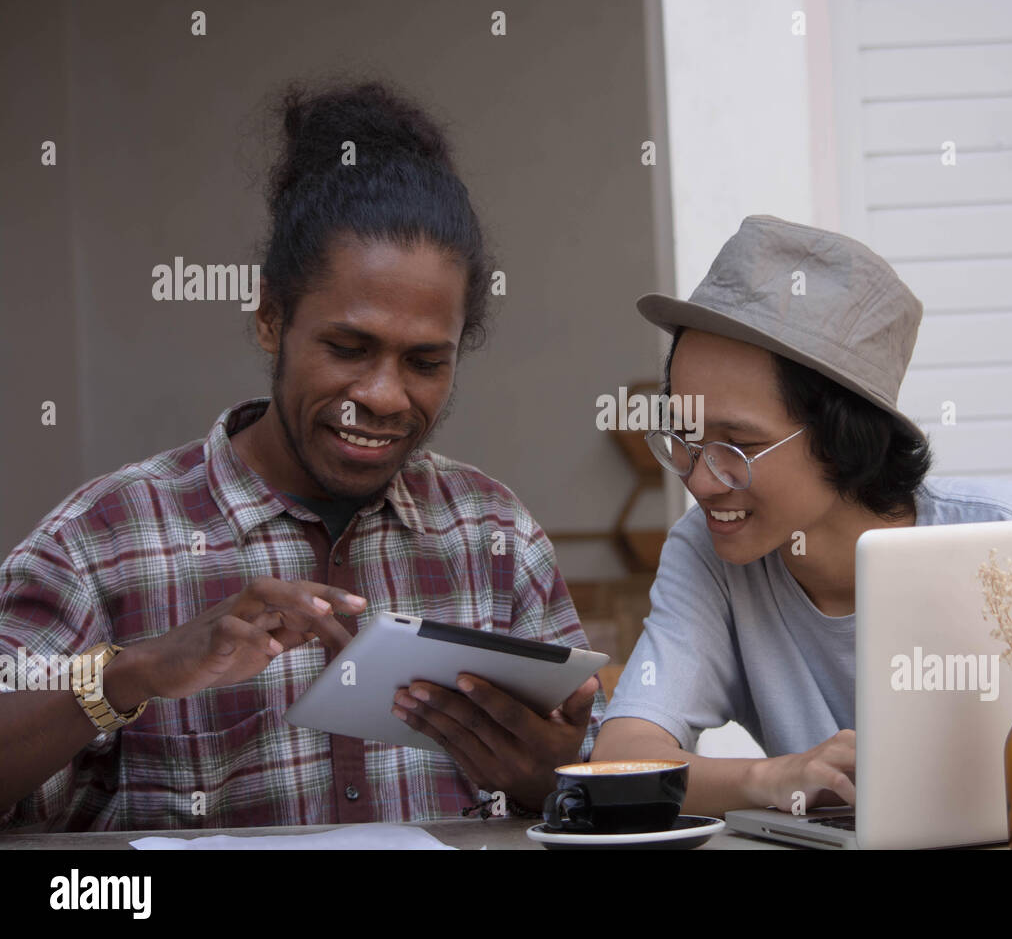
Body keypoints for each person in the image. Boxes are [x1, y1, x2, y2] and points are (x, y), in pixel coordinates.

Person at [0, 81, 604, 832]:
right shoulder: (102, 539)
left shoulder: (494, 535)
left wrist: (559, 784)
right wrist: (135, 673)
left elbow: (599, 785)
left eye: (424, 362)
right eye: (348, 348)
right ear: (269, 319)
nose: (384, 396)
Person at [592, 214, 1012, 817]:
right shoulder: (707, 556)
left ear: (842, 435)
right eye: (682, 438)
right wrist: (774, 778)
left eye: (738, 446)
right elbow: (622, 758)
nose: (702, 481)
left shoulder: (1010, 538)